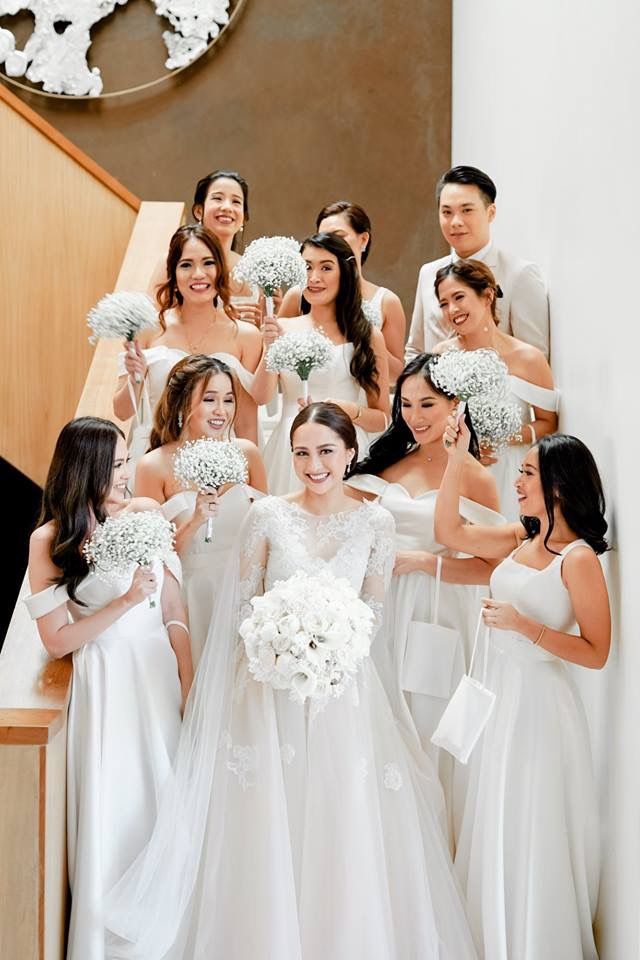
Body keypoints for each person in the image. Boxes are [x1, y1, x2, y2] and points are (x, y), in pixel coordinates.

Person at [106, 402, 478, 960]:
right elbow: (244, 604)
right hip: (265, 690)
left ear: (351, 452)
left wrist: (330, 648)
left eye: (326, 451)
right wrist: (275, 646)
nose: (313, 464)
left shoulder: (376, 521)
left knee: (339, 815)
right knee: (268, 822)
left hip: (342, 689)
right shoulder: (268, 515)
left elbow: (373, 611)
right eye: (301, 453)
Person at [435, 417, 611, 960]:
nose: (517, 480)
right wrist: (455, 459)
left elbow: (597, 652)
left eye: (528, 472)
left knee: (531, 818)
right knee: (494, 812)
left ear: (558, 485)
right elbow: (450, 534)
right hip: (497, 693)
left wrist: (523, 626)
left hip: (539, 703)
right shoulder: (522, 536)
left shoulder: (578, 559)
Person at [25, 416, 193, 960]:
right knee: (119, 799)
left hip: (155, 670)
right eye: (117, 465)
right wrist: (122, 602)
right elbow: (56, 640)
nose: (126, 474)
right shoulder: (49, 540)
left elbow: (172, 606)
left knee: (168, 795)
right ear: (87, 468)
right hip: (108, 680)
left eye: (127, 462)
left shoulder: (144, 514)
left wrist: (187, 676)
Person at [348, 354, 502, 840]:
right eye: (407, 404)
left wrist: (424, 563)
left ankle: (435, 845)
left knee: (429, 726)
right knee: (383, 724)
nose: (415, 416)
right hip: (380, 607)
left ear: (456, 404)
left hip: (437, 611)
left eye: (428, 404)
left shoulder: (475, 476)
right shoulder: (388, 459)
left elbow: (490, 568)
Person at [135, 354, 267, 666]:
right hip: (192, 596)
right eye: (210, 399)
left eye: (228, 400)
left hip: (245, 591)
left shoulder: (247, 453)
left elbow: (267, 528)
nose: (222, 411)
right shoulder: (153, 465)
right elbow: (152, 559)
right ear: (182, 404)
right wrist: (194, 521)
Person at [251, 232, 390, 494]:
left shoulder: (369, 336)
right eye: (307, 267)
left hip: (345, 446)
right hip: (290, 446)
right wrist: (269, 347)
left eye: (325, 267)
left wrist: (349, 411)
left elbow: (383, 418)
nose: (313, 277)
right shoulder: (282, 327)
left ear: (344, 273)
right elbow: (260, 396)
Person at [113, 223, 263, 446]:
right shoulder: (148, 329)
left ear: (220, 270)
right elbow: (122, 411)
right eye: (186, 265)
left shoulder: (246, 336)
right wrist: (136, 376)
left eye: (208, 263)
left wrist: (247, 476)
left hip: (221, 462)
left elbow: (246, 423)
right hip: (157, 454)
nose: (198, 274)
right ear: (173, 274)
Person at [434, 258, 558, 520]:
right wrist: (467, 449)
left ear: (487, 296)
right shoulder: (441, 357)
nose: (452, 309)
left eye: (459, 297)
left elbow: (549, 422)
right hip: (460, 472)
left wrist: (507, 437)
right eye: (444, 303)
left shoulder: (528, 358)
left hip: (513, 471)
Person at [406, 165, 550, 359]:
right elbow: (415, 350)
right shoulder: (428, 273)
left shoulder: (520, 274)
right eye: (447, 212)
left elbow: (534, 359)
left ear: (490, 213)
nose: (455, 222)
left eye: (466, 210)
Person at [278, 201, 407, 380]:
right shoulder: (298, 295)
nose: (330, 244)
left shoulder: (386, 301)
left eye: (339, 236)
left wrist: (361, 332)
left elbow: (395, 376)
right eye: (323, 237)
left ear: (363, 239)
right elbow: (275, 360)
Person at [191, 169, 266, 327]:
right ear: (199, 211)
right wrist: (220, 317)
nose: (227, 207)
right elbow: (155, 322)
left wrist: (268, 315)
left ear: (244, 218)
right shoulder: (176, 262)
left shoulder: (254, 269)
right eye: (218, 198)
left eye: (236, 202)